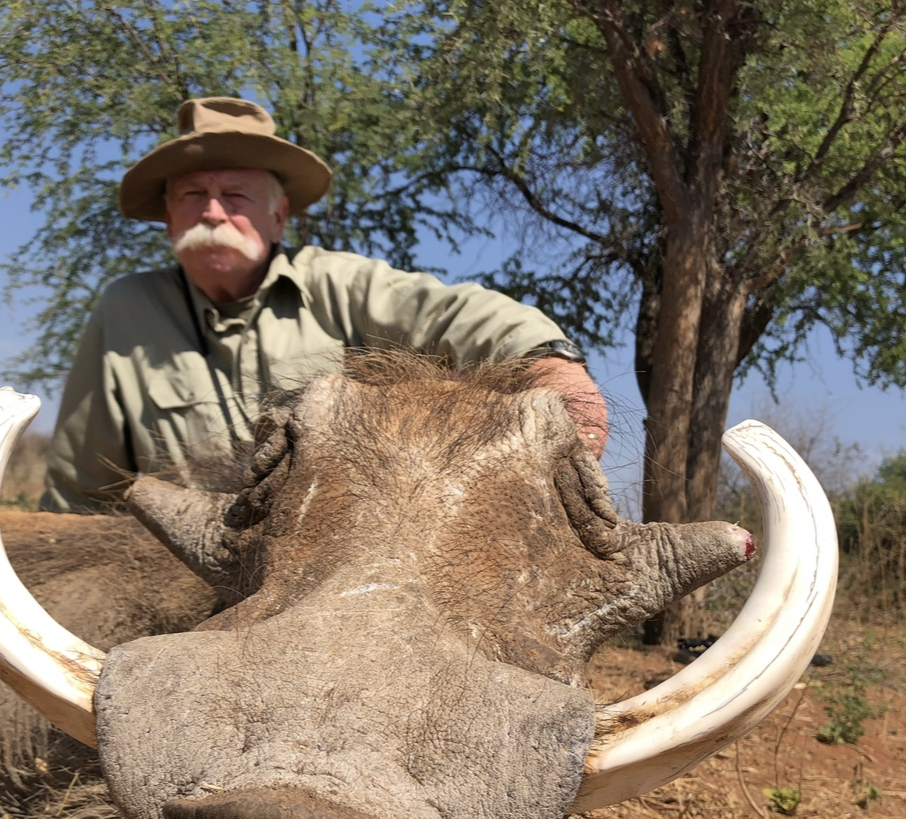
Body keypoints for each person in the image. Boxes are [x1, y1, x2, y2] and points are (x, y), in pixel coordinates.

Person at [41, 96, 608, 511]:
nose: (213, 211)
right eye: (193, 194)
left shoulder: (338, 282)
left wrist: (552, 363)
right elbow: (82, 489)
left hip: (321, 569)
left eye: (235, 195)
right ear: (168, 218)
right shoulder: (125, 307)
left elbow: (457, 313)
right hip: (176, 570)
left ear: (278, 216)